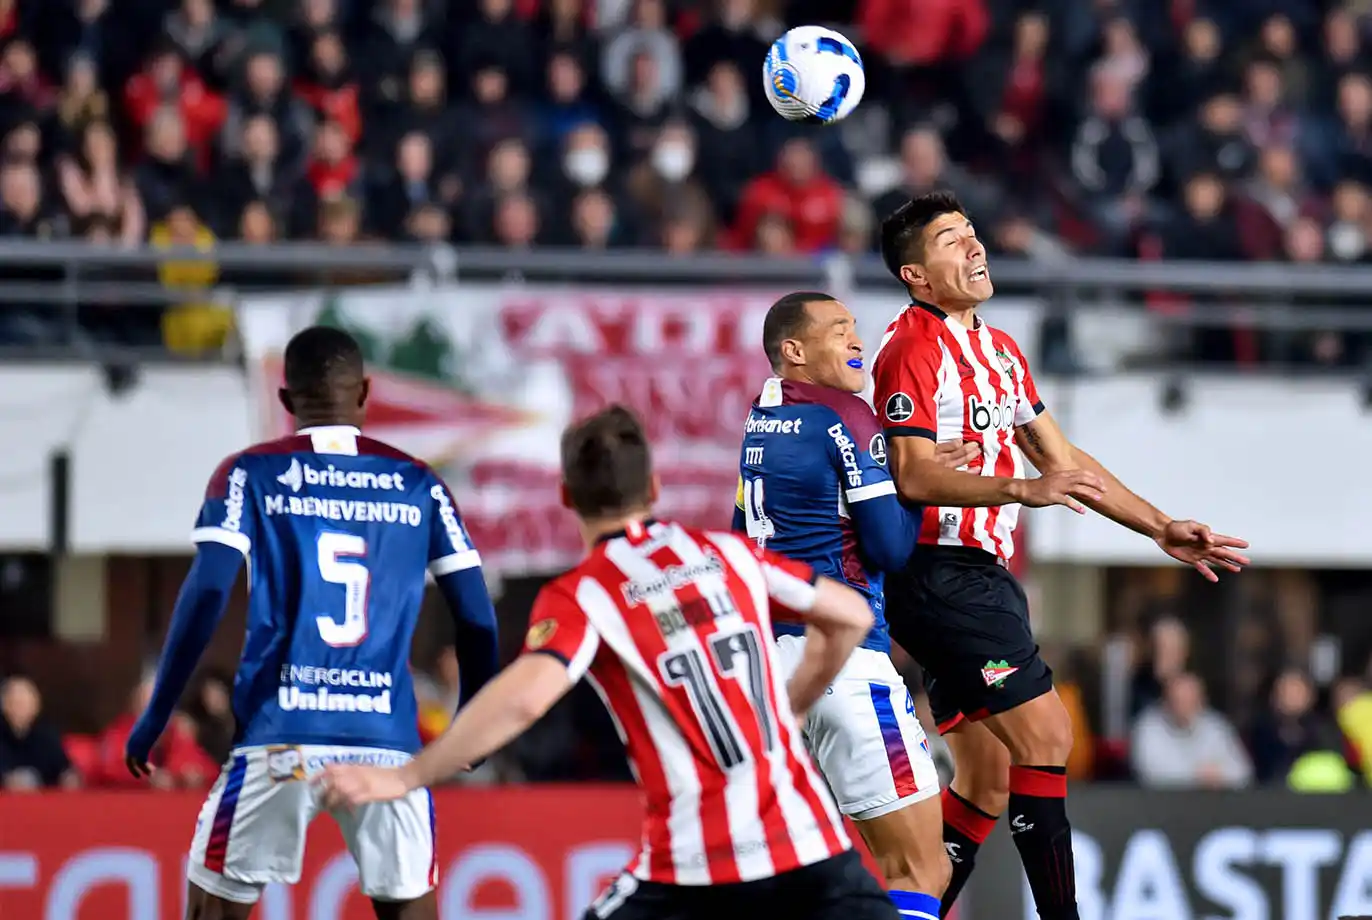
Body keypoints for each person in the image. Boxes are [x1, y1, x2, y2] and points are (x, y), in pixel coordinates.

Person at [322, 405, 901, 920]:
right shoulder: (730, 554)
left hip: (690, 871)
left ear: (567, 496)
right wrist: (791, 702)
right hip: (811, 851)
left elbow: (525, 697)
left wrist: (405, 776)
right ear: (653, 484)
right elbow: (850, 614)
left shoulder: (586, 592)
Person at [871, 190, 1251, 920]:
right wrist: (1022, 487)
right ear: (916, 276)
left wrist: (1159, 526)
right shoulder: (911, 349)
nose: (974, 246)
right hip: (935, 569)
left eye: (972, 233)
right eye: (951, 240)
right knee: (1048, 733)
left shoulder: (1001, 350)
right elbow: (914, 472)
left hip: (982, 575)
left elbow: (1064, 458)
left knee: (982, 780)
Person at [124, 325, 500, 920]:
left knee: (211, 910)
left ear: (285, 398)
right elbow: (478, 618)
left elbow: (209, 592)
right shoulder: (420, 483)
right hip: (388, 747)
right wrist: (474, 727)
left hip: (280, 736)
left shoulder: (248, 472)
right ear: (365, 393)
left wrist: (157, 712)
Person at [733, 290, 978, 919]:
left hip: (776, 669)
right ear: (794, 350)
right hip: (848, 666)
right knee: (923, 865)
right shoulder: (848, 415)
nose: (855, 339)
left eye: (853, 327)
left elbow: (740, 535)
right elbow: (891, 548)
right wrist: (919, 488)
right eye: (837, 330)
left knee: (829, 871)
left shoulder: (761, 418)